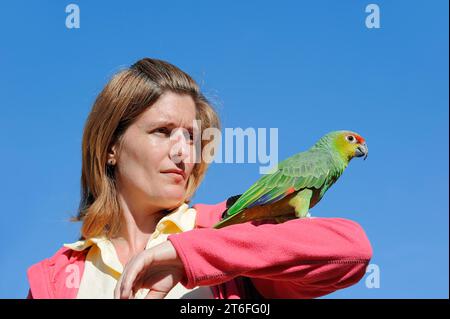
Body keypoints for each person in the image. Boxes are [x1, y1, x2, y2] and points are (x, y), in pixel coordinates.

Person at [27, 58, 372, 299]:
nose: (184, 153)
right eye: (163, 131)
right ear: (110, 148)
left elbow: (352, 251)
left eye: (192, 138)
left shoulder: (231, 230)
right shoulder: (55, 277)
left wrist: (192, 254)